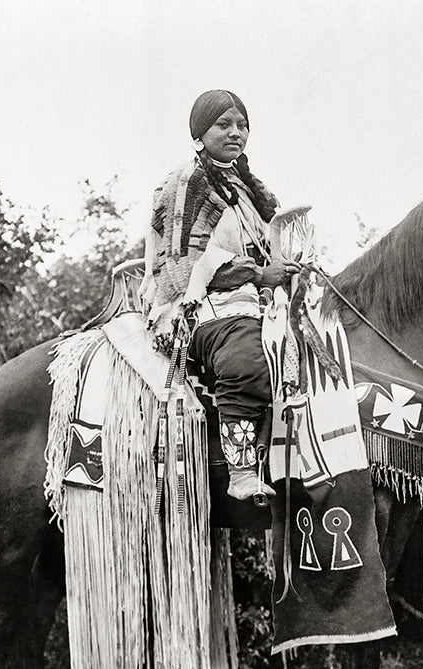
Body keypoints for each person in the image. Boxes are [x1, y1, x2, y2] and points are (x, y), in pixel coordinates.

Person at [141, 89, 299, 502]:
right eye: (223, 125)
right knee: (247, 360)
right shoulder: (183, 186)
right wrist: (259, 274)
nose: (235, 133)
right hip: (196, 309)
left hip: (257, 303)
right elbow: (181, 266)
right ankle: (241, 471)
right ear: (198, 135)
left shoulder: (248, 189)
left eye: (242, 125)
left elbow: (268, 246)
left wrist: (287, 268)